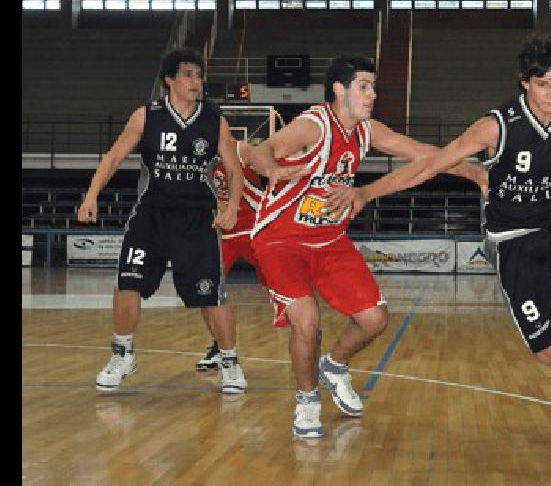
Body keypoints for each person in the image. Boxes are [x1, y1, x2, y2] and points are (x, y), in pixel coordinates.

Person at [326, 29, 551, 463]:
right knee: (548, 353)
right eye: (542, 84)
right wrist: (366, 194)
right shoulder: (495, 126)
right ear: (524, 82)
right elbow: (429, 166)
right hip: (513, 239)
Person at [236, 56, 487, 439]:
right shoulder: (313, 125)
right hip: (280, 242)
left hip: (330, 241)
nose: (372, 94)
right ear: (340, 89)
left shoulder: (367, 131)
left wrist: (472, 171)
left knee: (374, 319)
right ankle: (307, 400)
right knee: (307, 320)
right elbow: (261, 150)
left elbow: (423, 153)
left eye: (373, 86)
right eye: (364, 86)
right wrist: (273, 170)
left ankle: (334, 366)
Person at [77, 48, 248, 394]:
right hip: (151, 216)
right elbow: (112, 158)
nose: (195, 81)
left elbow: (234, 169)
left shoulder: (214, 119)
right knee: (128, 282)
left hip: (197, 219)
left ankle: (229, 361)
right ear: (169, 80)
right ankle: (123, 354)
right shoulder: (146, 116)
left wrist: (231, 207)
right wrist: (91, 194)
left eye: (199, 76)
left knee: (210, 296)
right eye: (187, 74)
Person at [196, 135, 271, 371]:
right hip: (221, 233)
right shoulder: (195, 158)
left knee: (282, 290)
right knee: (204, 290)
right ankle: (219, 347)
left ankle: (308, 338)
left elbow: (273, 171)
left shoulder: (241, 150)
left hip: (256, 228)